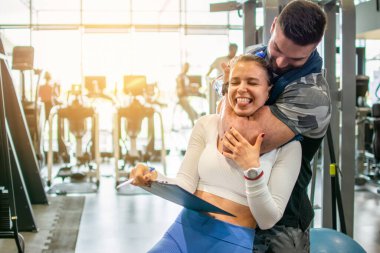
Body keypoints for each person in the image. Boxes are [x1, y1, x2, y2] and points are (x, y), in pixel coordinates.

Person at [130, 55, 302, 253]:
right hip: (183, 232)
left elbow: (267, 219)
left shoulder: (288, 146)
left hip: (232, 241)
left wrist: (252, 169)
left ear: (268, 90)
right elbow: (185, 183)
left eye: (252, 82)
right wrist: (151, 176)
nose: (241, 88)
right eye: (235, 82)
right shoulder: (207, 124)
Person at [217, 1, 330, 252]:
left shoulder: (312, 94)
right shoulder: (256, 52)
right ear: (273, 25)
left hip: (280, 224)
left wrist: (228, 89)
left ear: (314, 48)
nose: (278, 62)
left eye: (295, 59)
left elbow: (237, 139)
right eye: (277, 47)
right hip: (235, 210)